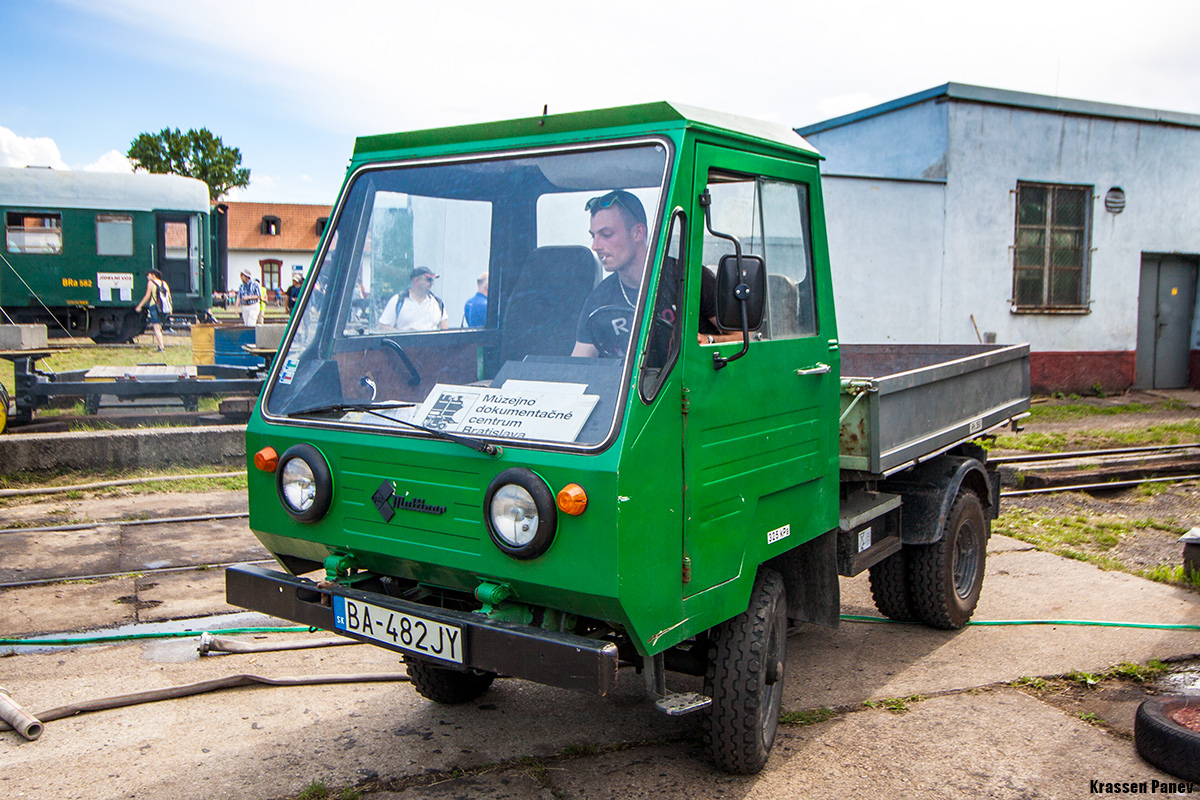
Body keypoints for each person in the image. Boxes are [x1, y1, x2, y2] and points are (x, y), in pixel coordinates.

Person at [571, 190, 649, 358]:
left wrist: (706, 340)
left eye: (606, 235)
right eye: (593, 236)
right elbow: (577, 366)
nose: (595, 245)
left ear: (637, 233)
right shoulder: (599, 300)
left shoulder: (686, 278)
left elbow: (721, 340)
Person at [378, 266, 449, 331]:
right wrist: (404, 335)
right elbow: (382, 326)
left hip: (432, 345)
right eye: (428, 280)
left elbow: (445, 331)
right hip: (405, 345)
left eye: (432, 280)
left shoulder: (437, 303)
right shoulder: (398, 300)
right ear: (416, 281)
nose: (432, 283)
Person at [134, 269, 170, 352]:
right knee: (159, 327)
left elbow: (147, 296)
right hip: (163, 307)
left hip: (154, 306)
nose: (147, 276)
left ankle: (161, 347)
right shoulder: (164, 283)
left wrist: (139, 306)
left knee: (156, 328)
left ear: (153, 275)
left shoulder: (151, 283)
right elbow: (168, 296)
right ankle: (161, 346)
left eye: (148, 274)